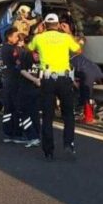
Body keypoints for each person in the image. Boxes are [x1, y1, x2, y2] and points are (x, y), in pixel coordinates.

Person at [27, 13, 81, 161]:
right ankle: (68, 144)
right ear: (58, 25)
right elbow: (78, 49)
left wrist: (38, 32)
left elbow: (29, 47)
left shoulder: (39, 38)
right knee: (68, 114)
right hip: (64, 79)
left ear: (45, 24)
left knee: (47, 116)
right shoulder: (65, 37)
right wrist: (68, 33)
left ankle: (48, 151)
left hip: (47, 79)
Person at [0, 28, 24, 144]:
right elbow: (18, 62)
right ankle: (15, 133)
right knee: (15, 107)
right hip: (13, 80)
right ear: (9, 37)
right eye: (15, 36)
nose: (17, 38)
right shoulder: (11, 49)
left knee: (8, 108)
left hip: (7, 80)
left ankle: (7, 132)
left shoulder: (3, 48)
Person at [71, 37, 103, 124]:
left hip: (86, 74)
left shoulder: (70, 59)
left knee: (84, 94)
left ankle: (87, 117)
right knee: (86, 92)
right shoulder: (79, 56)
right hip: (96, 71)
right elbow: (82, 41)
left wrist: (74, 83)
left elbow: (69, 74)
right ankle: (90, 115)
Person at [16, 33, 41, 147]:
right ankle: (37, 136)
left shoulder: (26, 55)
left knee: (25, 113)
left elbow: (22, 71)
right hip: (37, 89)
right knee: (34, 113)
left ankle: (32, 136)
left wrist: (35, 80)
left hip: (27, 88)